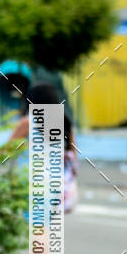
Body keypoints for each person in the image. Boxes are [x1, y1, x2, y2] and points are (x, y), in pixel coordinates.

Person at [9, 81, 78, 213]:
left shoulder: (28, 122)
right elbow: (72, 155)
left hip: (31, 181)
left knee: (34, 227)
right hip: (56, 183)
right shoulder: (64, 122)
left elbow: (7, 149)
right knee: (44, 227)